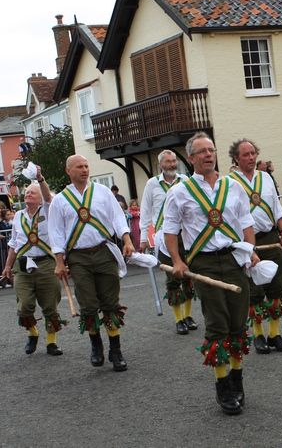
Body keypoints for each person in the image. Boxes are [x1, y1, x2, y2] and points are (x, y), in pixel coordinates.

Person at [163, 132, 259, 416]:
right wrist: (178, 262)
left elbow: (246, 223)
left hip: (233, 259)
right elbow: (170, 231)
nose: (208, 155)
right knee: (217, 324)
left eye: (211, 150)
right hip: (203, 263)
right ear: (190, 158)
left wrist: (250, 251)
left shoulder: (233, 186)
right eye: (202, 151)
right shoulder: (179, 192)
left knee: (239, 322)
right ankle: (222, 384)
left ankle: (238, 378)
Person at [49, 155, 135, 372]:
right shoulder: (60, 200)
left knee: (111, 303)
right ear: (69, 171)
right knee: (88, 305)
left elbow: (117, 217)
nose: (85, 170)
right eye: (79, 167)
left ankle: (116, 350)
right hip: (78, 257)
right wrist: (59, 262)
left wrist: (126, 240)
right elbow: (56, 233)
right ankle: (96, 344)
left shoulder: (103, 192)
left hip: (104, 252)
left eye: (86, 166)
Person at [228, 138, 282, 354]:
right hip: (246, 244)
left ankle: (275, 334)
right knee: (254, 292)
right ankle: (258, 335)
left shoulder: (265, 178)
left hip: (270, 238)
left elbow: (276, 207)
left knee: (276, 288)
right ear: (236, 158)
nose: (251, 157)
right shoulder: (229, 183)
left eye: (253, 153)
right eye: (245, 154)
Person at [1, 173, 65, 356]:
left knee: (50, 306)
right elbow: (13, 244)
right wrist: (7, 267)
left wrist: (41, 180)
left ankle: (51, 342)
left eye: (32, 193)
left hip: (46, 263)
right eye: (27, 192)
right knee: (25, 306)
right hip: (22, 266)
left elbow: (48, 198)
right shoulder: (18, 217)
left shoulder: (47, 211)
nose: (28, 195)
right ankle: (33, 333)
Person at [139, 150, 196, 335]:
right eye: (168, 162)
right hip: (164, 238)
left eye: (174, 161)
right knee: (172, 279)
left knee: (188, 277)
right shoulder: (152, 184)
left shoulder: (186, 181)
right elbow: (146, 211)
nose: (172, 165)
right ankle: (178, 319)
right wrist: (143, 238)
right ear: (160, 165)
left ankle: (188, 316)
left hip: (185, 235)